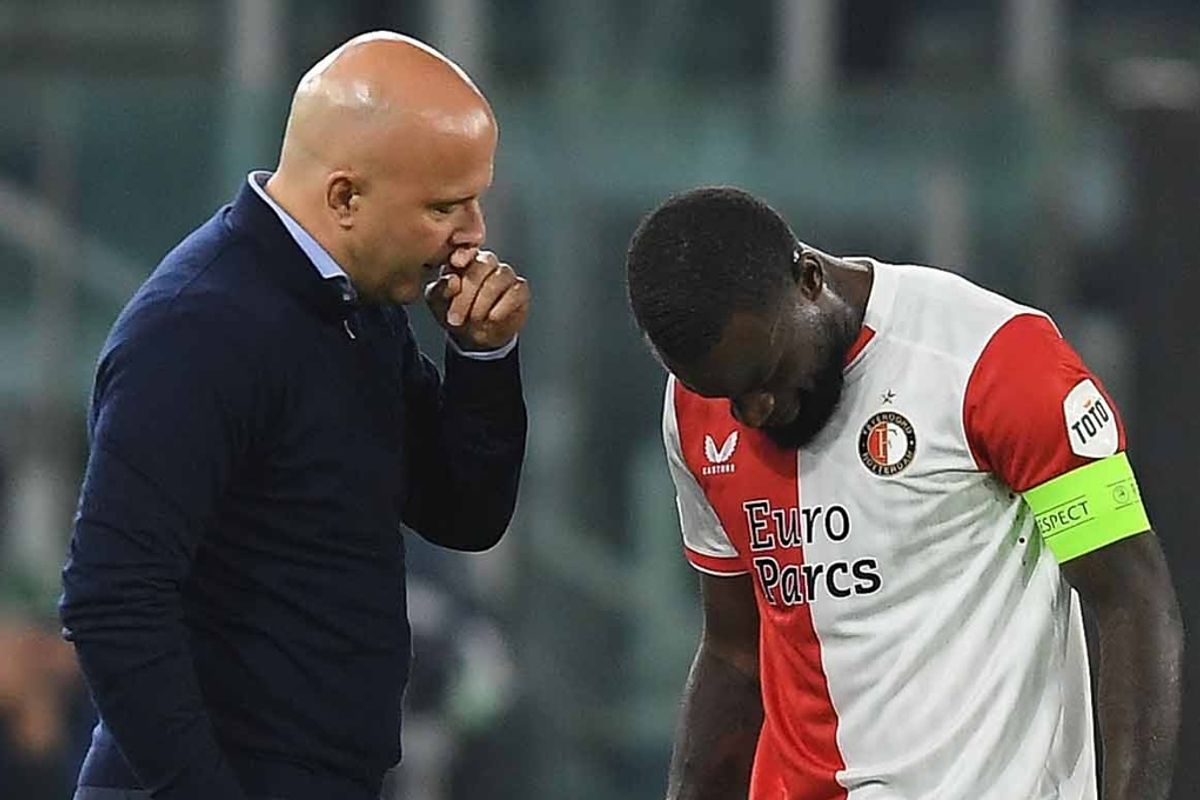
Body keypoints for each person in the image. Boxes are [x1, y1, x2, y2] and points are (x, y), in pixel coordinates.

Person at [59, 31, 529, 800]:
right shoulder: (198, 326)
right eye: (445, 206)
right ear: (344, 197)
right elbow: (112, 598)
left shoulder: (352, 304)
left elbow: (463, 514)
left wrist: (480, 361)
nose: (473, 233)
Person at [624, 187, 1183, 800]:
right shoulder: (693, 412)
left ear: (809, 279)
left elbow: (1131, 598)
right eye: (728, 396)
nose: (755, 411)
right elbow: (735, 651)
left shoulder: (995, 360)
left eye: (767, 376)